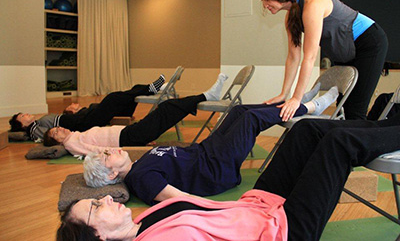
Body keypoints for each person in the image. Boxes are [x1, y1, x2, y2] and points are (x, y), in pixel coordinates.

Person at [56, 113, 400, 241]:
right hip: (283, 230)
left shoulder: (144, 220)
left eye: (96, 197)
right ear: (98, 237)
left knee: (306, 131)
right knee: (338, 144)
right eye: (94, 208)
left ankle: (387, 125)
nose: (105, 199)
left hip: (256, 205)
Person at [82, 87, 338, 206]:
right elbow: (182, 199)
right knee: (251, 119)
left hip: (208, 150)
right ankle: (312, 107)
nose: (111, 150)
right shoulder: (141, 179)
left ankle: (296, 102)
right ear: (113, 174)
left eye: (106, 150)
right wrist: (227, 208)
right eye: (107, 156)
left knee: (238, 110)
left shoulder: (138, 164)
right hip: (218, 168)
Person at [257, 0, 388, 120]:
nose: (265, 5)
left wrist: (296, 99)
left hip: (369, 43)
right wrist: (284, 94)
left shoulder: (312, 2)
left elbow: (310, 57)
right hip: (347, 49)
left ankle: (369, 139)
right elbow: (293, 58)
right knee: (343, 109)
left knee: (354, 110)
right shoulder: (291, 16)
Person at [43, 73, 230, 156]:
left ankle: (205, 95)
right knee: (166, 109)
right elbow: (97, 152)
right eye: (55, 133)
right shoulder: (72, 143)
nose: (58, 128)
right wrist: (130, 149)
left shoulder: (74, 137)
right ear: (58, 142)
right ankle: (206, 96)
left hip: (129, 134)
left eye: (56, 128)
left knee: (166, 108)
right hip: (127, 138)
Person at [8, 75, 166, 141]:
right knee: (112, 98)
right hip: (82, 123)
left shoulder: (38, 123)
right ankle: (150, 89)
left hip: (82, 118)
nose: (27, 114)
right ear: (22, 124)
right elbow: (49, 137)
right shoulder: (34, 129)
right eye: (23, 116)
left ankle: (149, 89)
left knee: (128, 93)